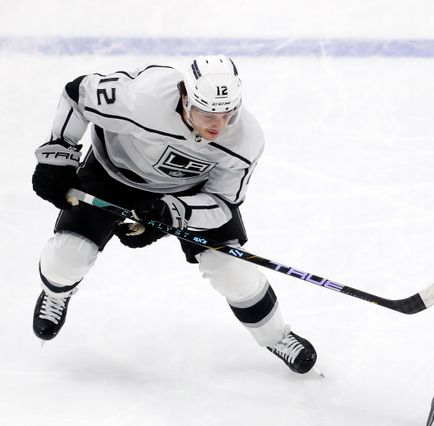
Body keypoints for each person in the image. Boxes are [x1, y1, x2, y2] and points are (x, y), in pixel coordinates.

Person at [31, 55, 317, 374]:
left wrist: (173, 213)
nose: (217, 125)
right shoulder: (142, 97)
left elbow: (222, 203)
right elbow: (78, 94)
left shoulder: (246, 139)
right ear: (185, 97)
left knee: (232, 271)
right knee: (66, 260)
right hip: (111, 176)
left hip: (186, 193)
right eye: (207, 113)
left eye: (228, 113)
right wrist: (58, 155)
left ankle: (276, 335)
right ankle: (57, 292)